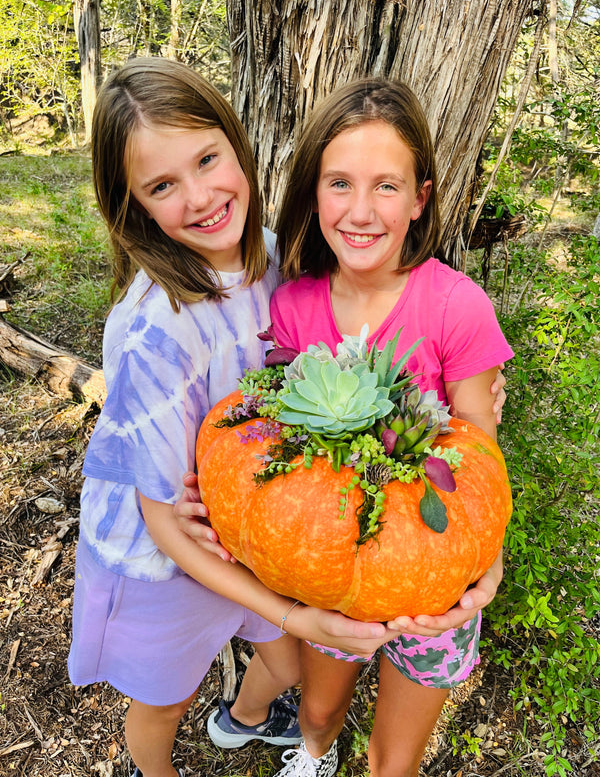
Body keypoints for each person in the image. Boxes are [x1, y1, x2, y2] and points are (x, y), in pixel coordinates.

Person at [67, 58, 408, 777]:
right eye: (162, 185)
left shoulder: (275, 262)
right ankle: (150, 769)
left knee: (282, 664)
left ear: (236, 143)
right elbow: (164, 519)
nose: (199, 196)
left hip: (250, 529)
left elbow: (337, 348)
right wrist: (294, 615)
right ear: (133, 206)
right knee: (164, 696)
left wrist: (462, 391)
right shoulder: (153, 329)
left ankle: (243, 718)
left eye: (207, 159)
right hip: (166, 559)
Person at [257, 78, 515, 777]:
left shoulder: (456, 307)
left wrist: (482, 565)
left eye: (388, 187)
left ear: (422, 197)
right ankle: (312, 755)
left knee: (394, 762)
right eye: (340, 183)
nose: (362, 211)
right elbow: (282, 449)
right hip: (333, 576)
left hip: (435, 588)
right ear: (314, 192)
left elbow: (479, 457)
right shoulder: (294, 308)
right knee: (317, 712)